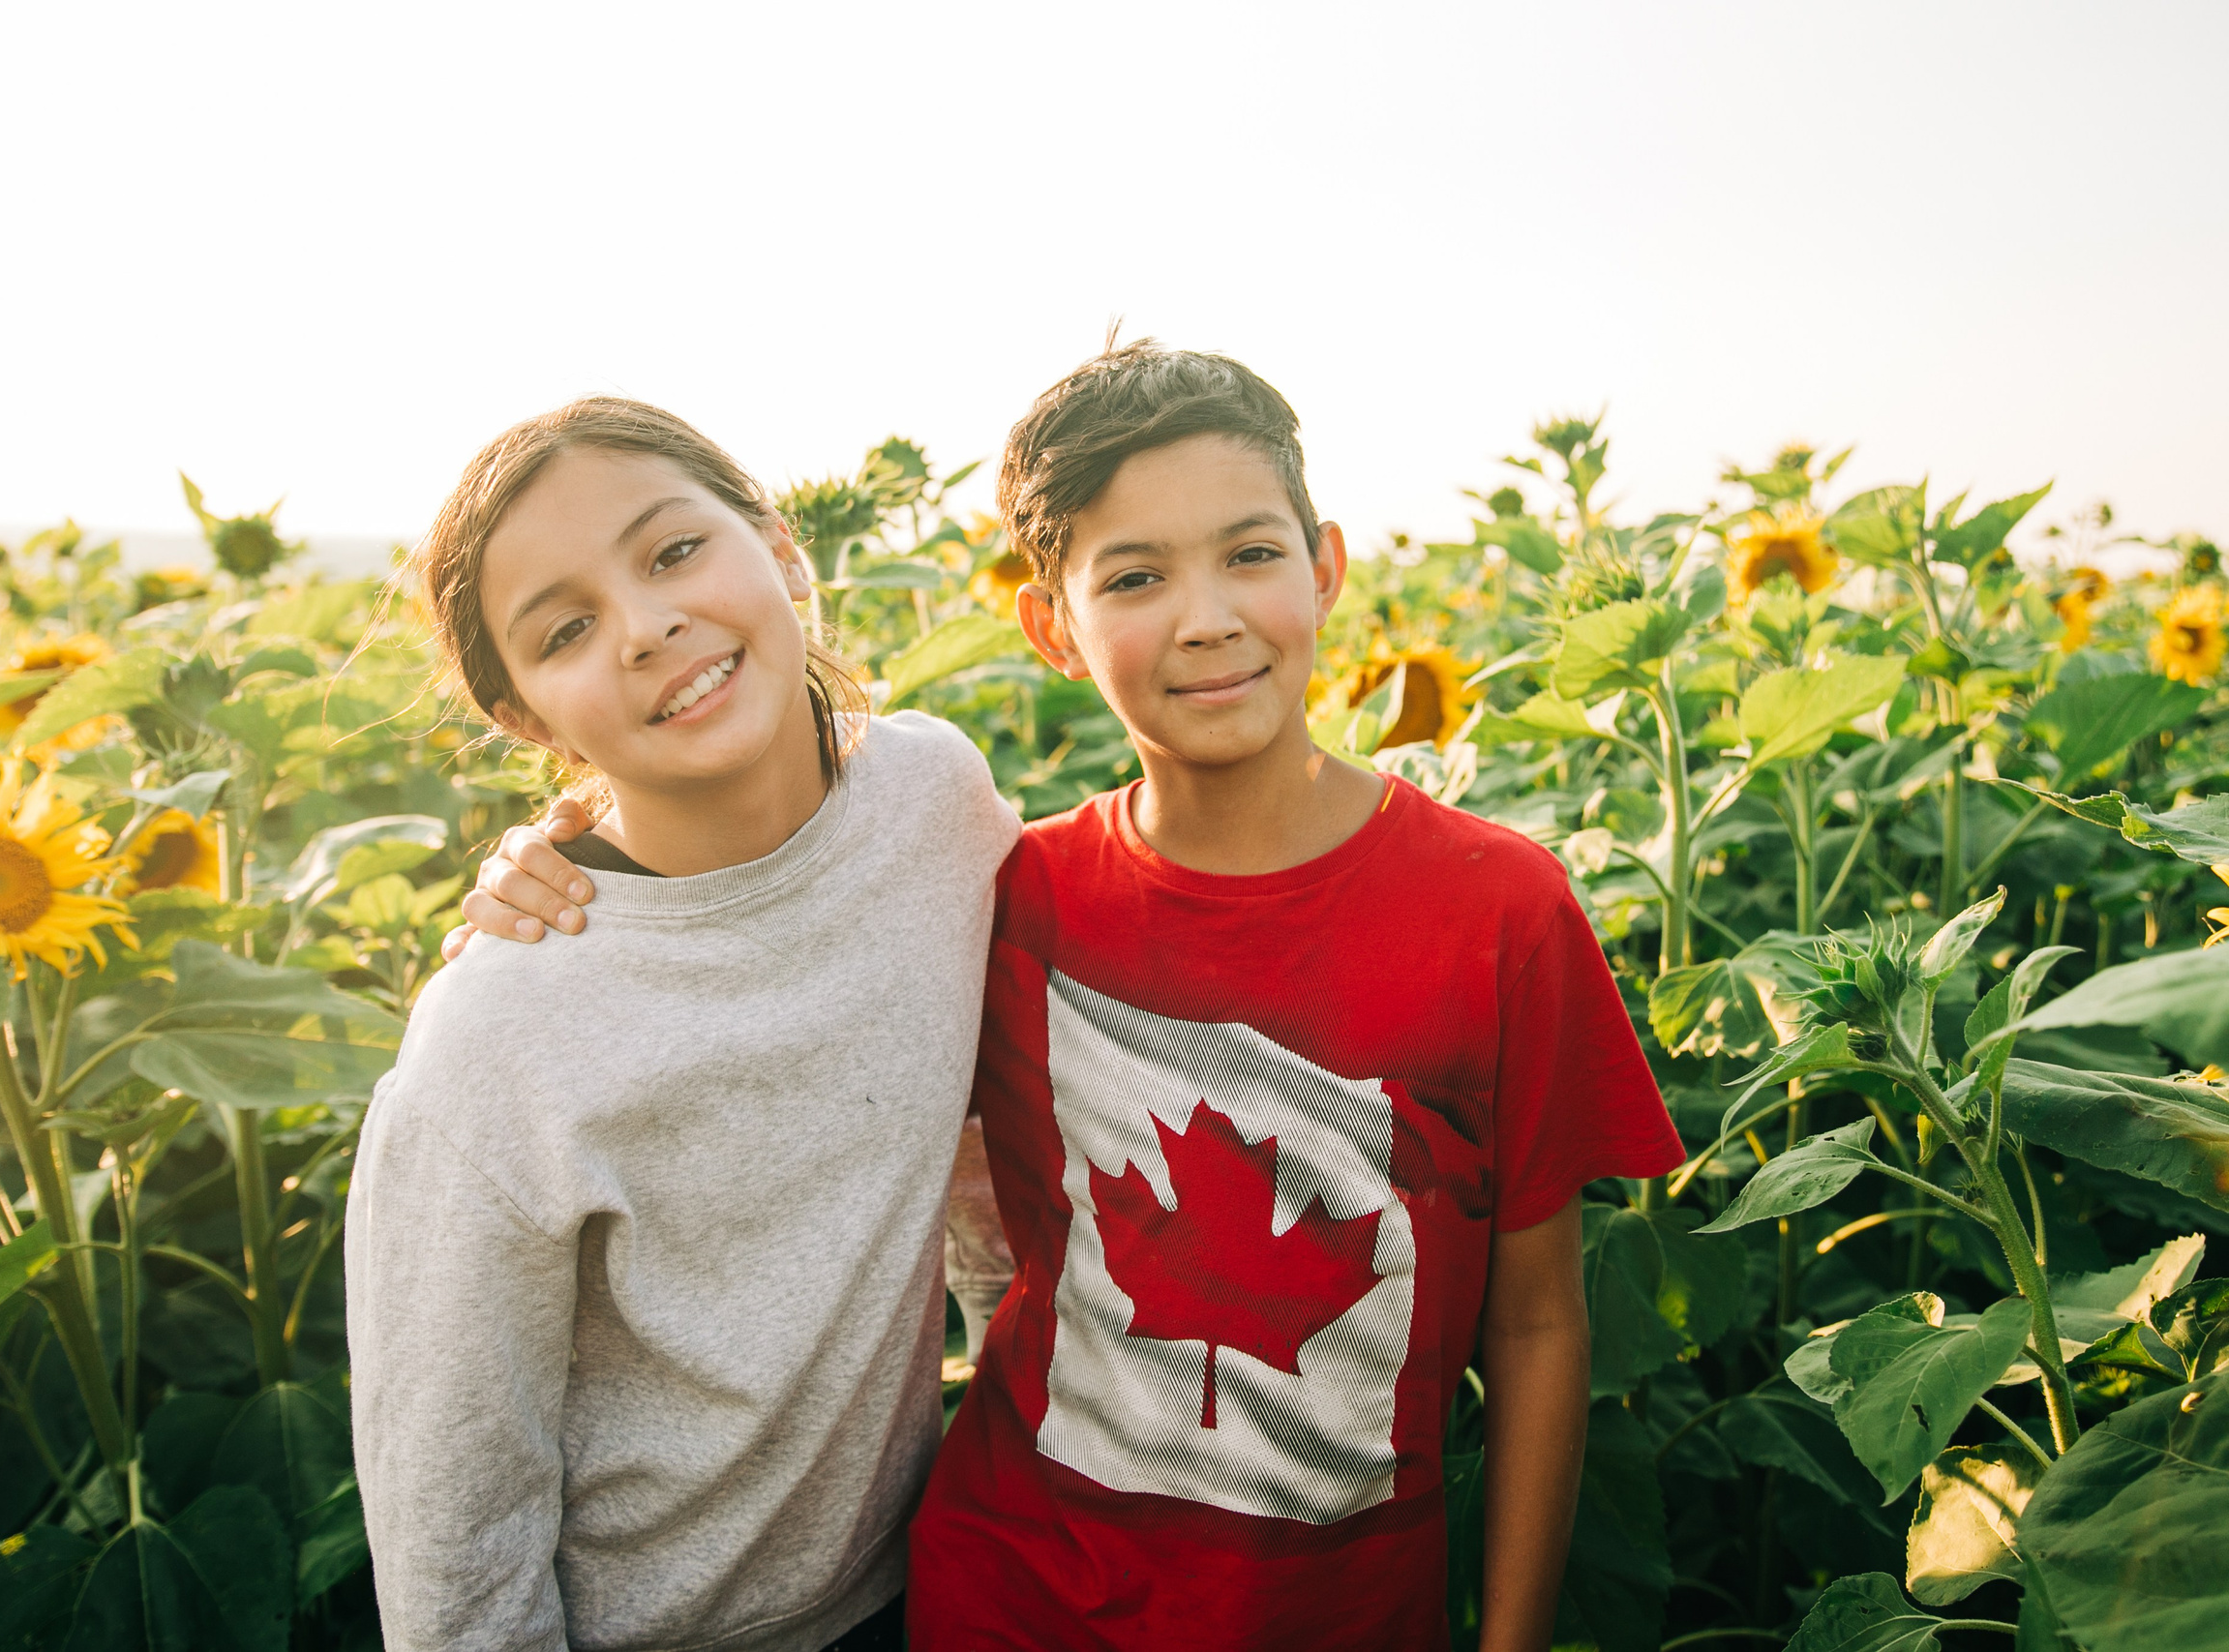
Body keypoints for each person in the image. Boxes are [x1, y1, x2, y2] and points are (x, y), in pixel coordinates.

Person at [460, 343, 1685, 1650]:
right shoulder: (1011, 890)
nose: (1206, 618)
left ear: (1325, 567)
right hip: (1016, 1596)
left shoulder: (1499, 910)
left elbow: (1538, 1324)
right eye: (1136, 578)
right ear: (1051, 626)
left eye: (1250, 554)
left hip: (1338, 1613)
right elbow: (768, 938)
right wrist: (570, 868)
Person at [345, 396, 1019, 1652]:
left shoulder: (936, 799)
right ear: (525, 719)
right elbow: (456, 1536)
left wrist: (1008, 1365)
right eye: (566, 629)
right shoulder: (502, 1034)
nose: (645, 625)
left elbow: (1000, 1094)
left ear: (781, 546)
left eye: (672, 551)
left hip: (925, 1578)